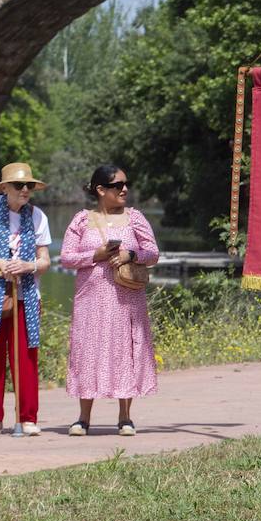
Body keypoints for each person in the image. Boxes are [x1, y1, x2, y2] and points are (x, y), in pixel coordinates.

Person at [59, 166, 159, 437]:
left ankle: (125, 418)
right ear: (101, 190)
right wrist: (97, 254)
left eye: (127, 184)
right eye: (118, 185)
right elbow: (66, 258)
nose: (125, 189)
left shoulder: (135, 218)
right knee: (87, 351)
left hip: (127, 299)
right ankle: (83, 418)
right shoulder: (81, 220)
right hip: (90, 300)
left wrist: (131, 254)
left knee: (126, 351)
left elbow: (153, 252)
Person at [0, 163, 51, 437]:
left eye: (30, 185)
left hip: (25, 295)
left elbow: (45, 260)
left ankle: (27, 418)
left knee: (25, 357)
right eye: (19, 185)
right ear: (5, 188)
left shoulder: (38, 216)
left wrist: (28, 266)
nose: (25, 190)